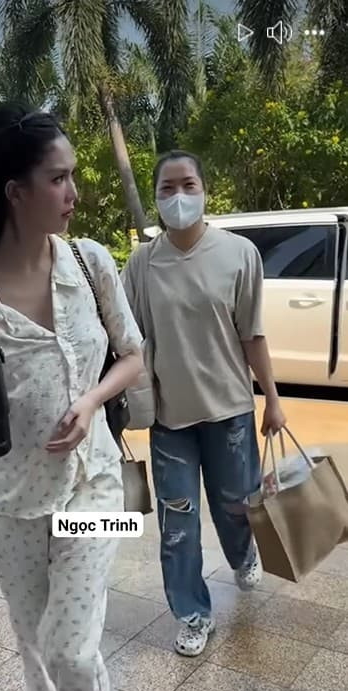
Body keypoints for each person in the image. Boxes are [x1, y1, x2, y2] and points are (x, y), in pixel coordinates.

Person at [0, 103, 143, 691]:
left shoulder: (90, 261)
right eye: (58, 178)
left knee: (70, 644)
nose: (73, 192)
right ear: (15, 192)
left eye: (72, 175)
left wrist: (92, 401)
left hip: (94, 484)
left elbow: (134, 357)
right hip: (10, 500)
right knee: (35, 641)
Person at [121, 150, 286, 657]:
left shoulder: (239, 254)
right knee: (178, 524)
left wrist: (273, 400)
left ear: (204, 189)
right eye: (167, 188)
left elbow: (252, 335)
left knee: (237, 506)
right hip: (169, 418)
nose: (178, 196)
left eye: (187, 185)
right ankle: (193, 614)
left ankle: (243, 553)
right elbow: (125, 339)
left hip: (230, 411)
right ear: (155, 197)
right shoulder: (141, 264)